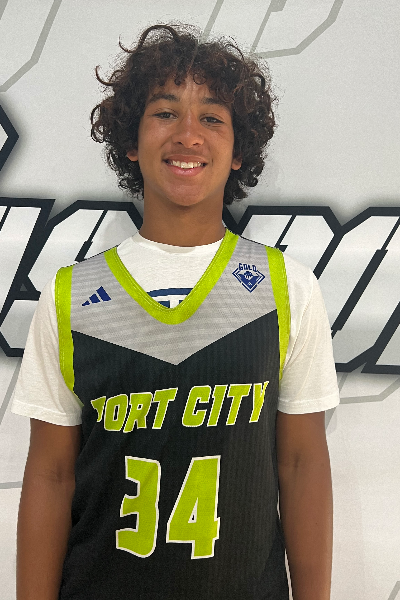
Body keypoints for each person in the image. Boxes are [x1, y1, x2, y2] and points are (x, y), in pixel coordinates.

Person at [11, 24, 340, 600]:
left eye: (212, 118)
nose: (188, 135)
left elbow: (301, 463)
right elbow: (51, 476)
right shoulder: (71, 295)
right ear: (130, 142)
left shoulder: (285, 287)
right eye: (165, 113)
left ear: (239, 152)